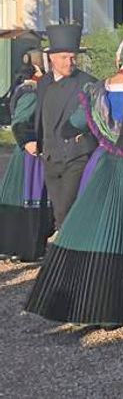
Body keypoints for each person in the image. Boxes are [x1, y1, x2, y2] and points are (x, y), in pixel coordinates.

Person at [25, 37, 123, 325]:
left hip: (106, 164)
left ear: (118, 60)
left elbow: (73, 124)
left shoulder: (97, 92)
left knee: (105, 231)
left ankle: (102, 305)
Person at [27, 24, 97, 230]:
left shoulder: (88, 83)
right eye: (65, 57)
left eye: (73, 57)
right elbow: (38, 115)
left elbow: (96, 118)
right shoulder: (43, 82)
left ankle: (66, 256)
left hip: (76, 156)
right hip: (49, 155)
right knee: (58, 208)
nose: (70, 62)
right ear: (52, 58)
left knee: (66, 209)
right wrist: (31, 140)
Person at [0, 50, 51, 262]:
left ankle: (25, 247)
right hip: (29, 155)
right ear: (39, 68)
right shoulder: (31, 91)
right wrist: (28, 141)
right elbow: (20, 122)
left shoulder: (29, 87)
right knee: (27, 198)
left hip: (32, 153)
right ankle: (21, 248)